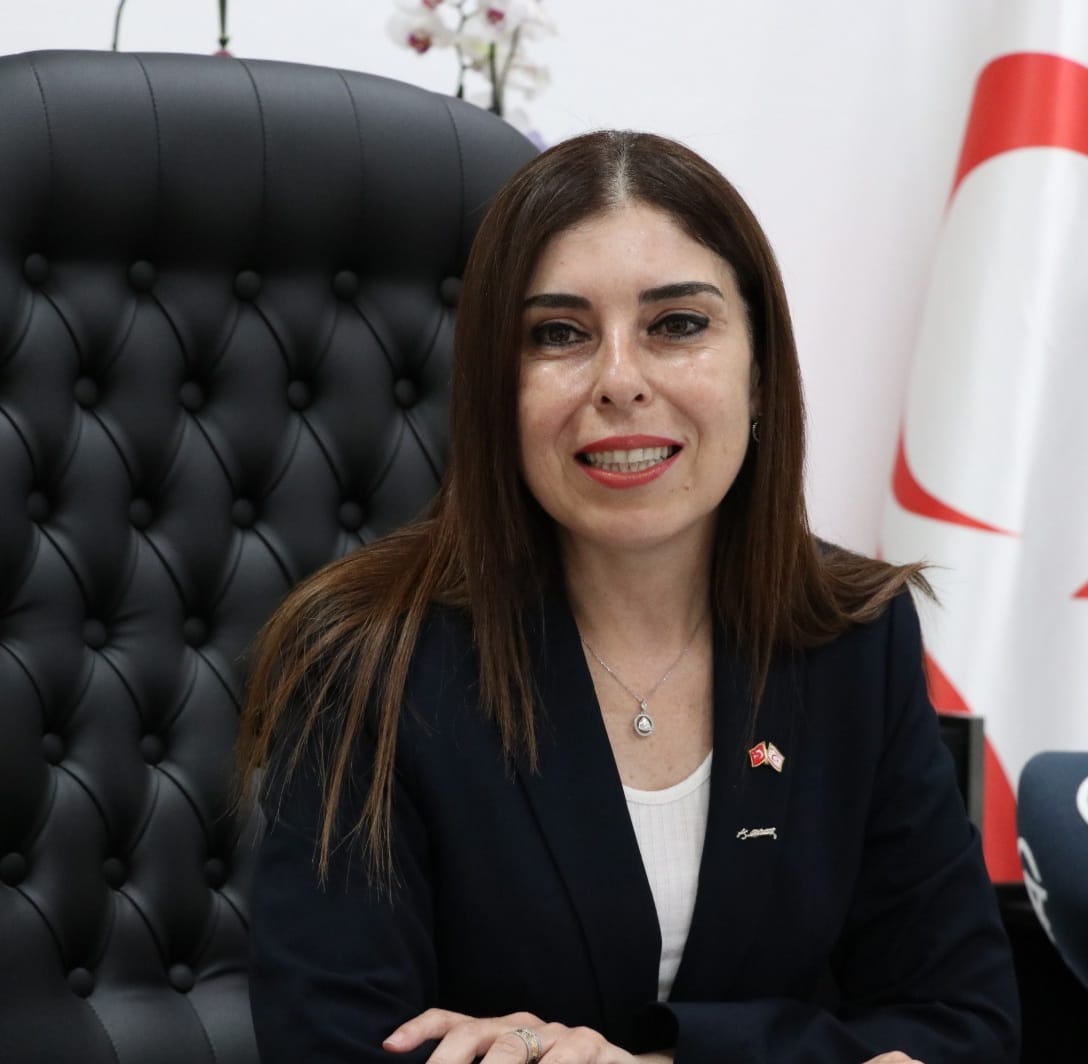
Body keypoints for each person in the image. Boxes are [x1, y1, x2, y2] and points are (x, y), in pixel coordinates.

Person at [239, 130, 1020, 1064]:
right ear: (495, 391)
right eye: (558, 334)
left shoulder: (854, 636)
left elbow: (960, 1025)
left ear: (760, 374)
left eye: (677, 325)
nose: (619, 381)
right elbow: (331, 1042)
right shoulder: (369, 658)